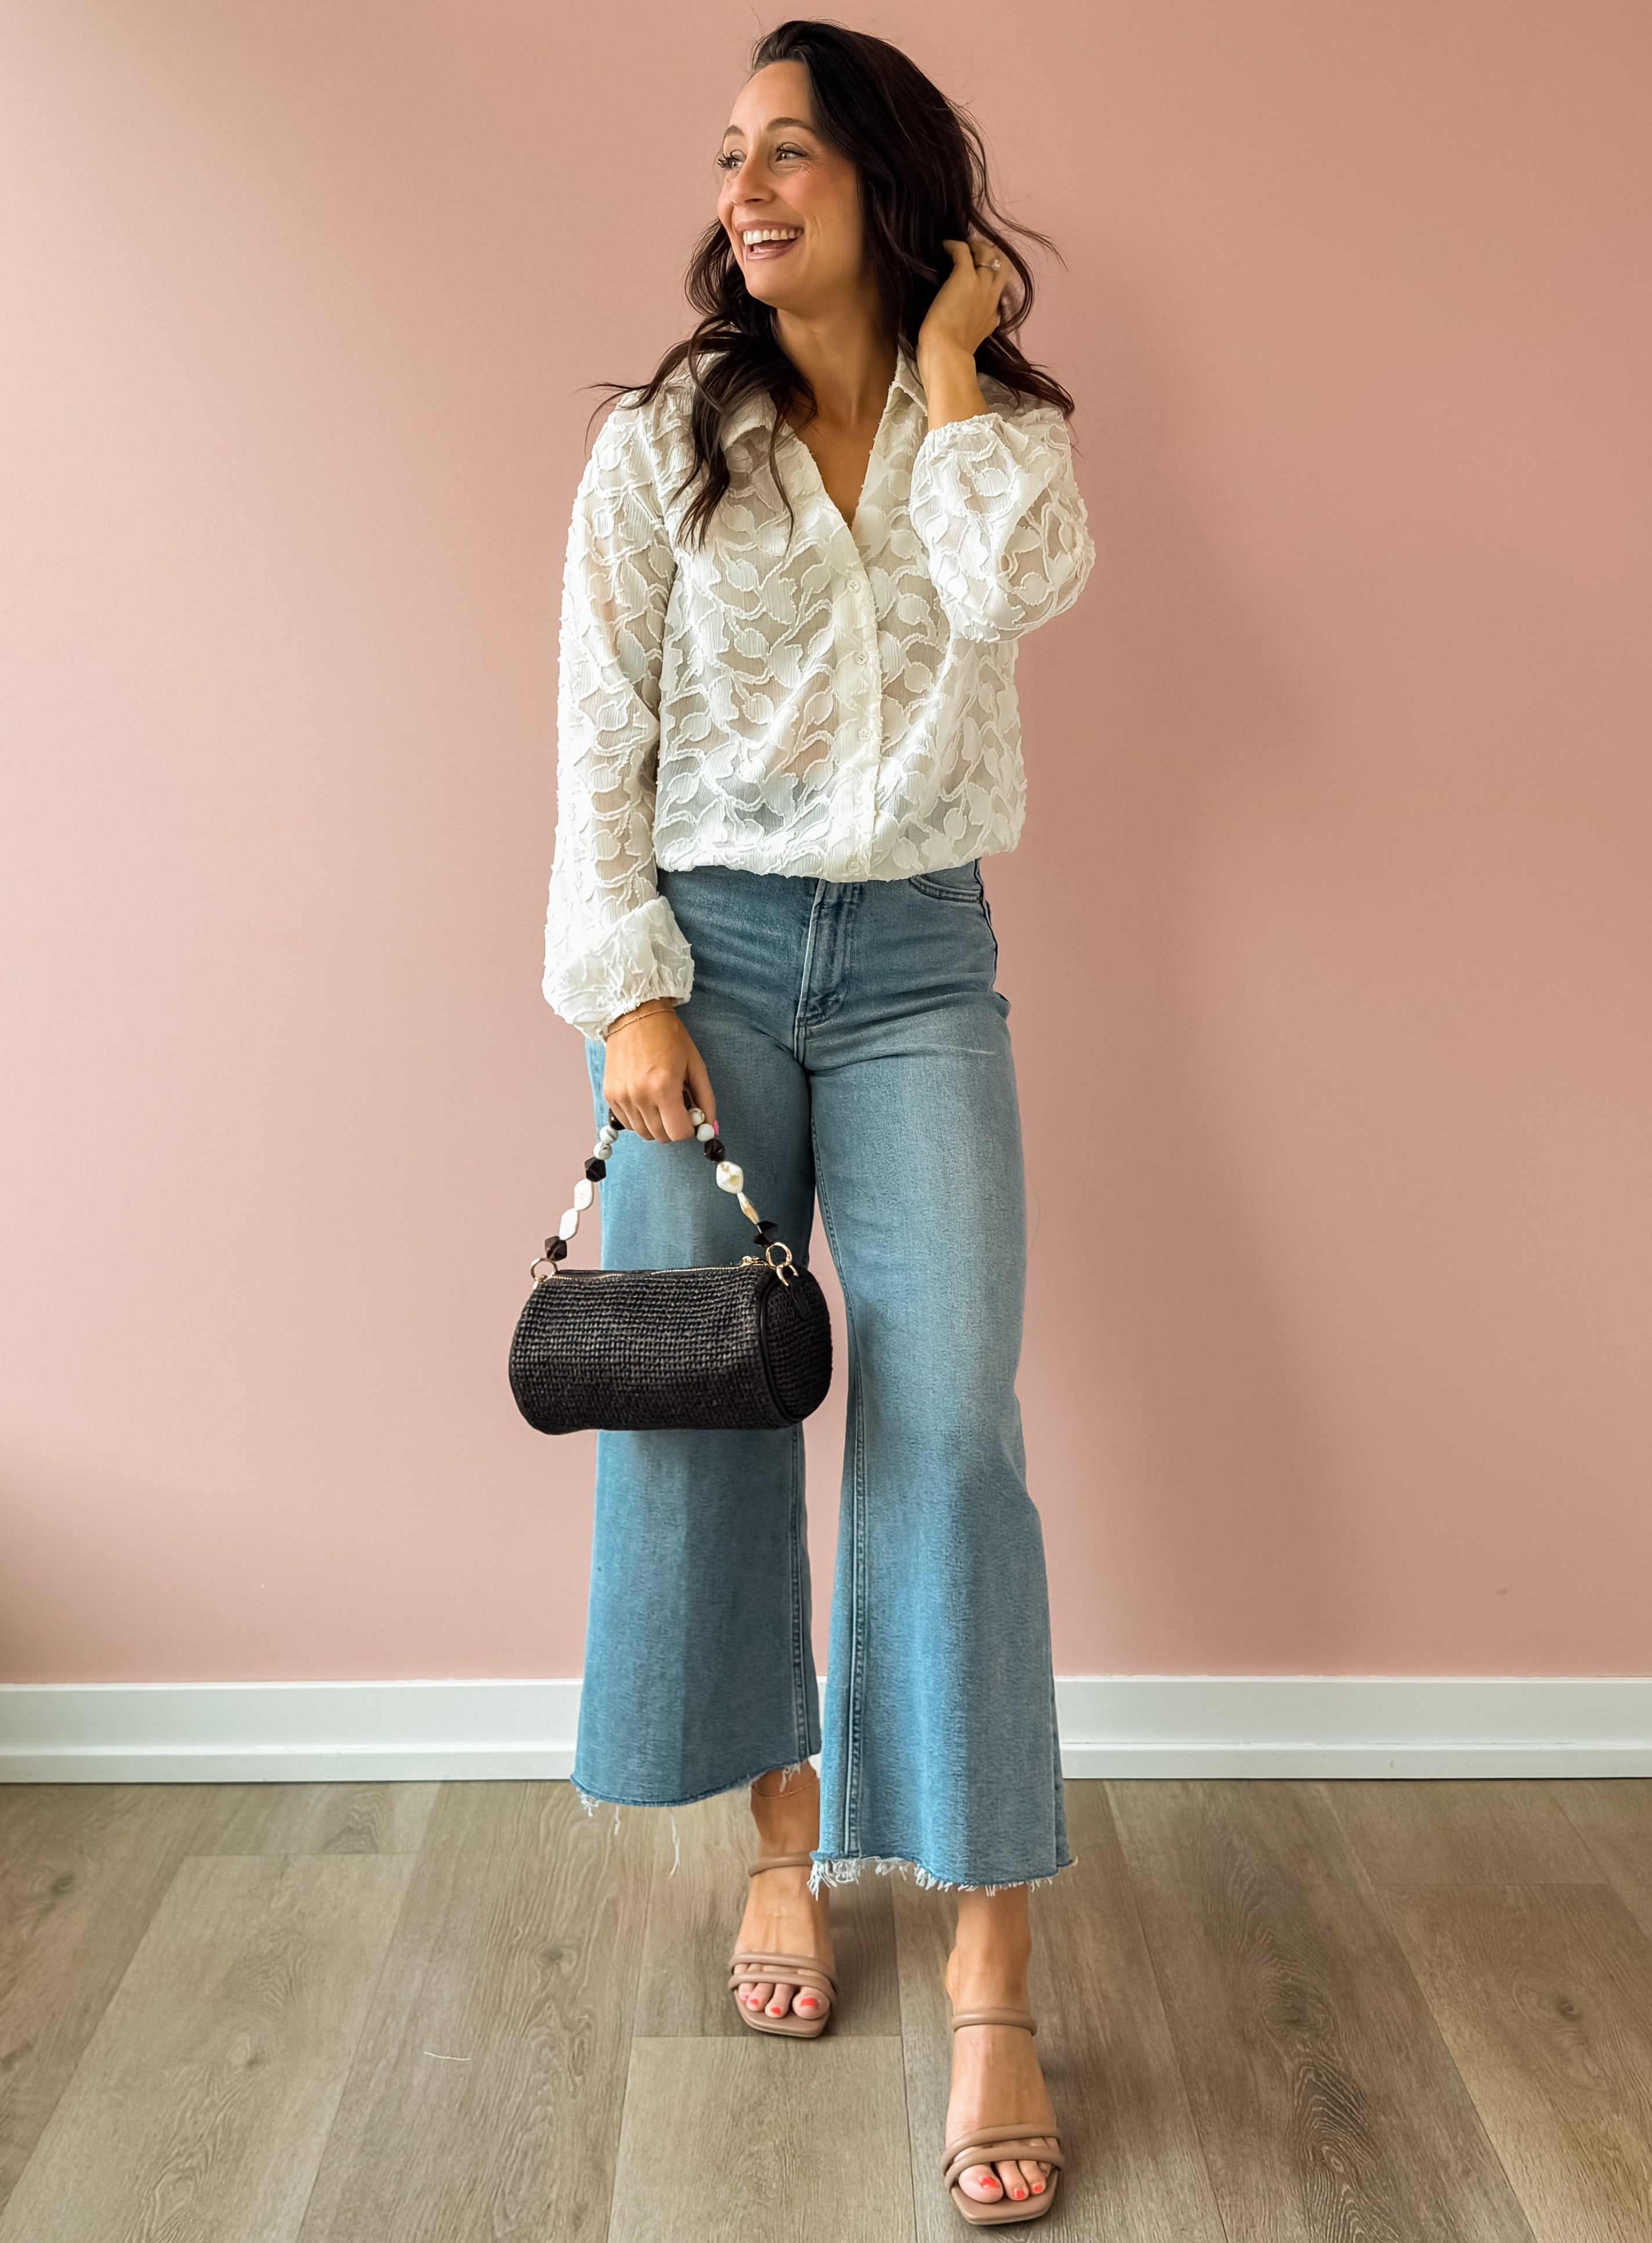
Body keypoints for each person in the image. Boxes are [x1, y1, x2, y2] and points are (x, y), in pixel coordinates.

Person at [541, 20, 1094, 2225]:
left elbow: (1019, 595)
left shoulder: (1005, 438)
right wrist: (629, 996)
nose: (748, 185)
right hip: (711, 964)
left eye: (790, 148)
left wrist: (956, 374)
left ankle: (987, 1949)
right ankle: (787, 1845)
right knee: (720, 1406)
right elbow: (597, 732)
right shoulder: (669, 439)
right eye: (729, 155)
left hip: (924, 966)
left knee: (953, 1429)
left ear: (880, 174)